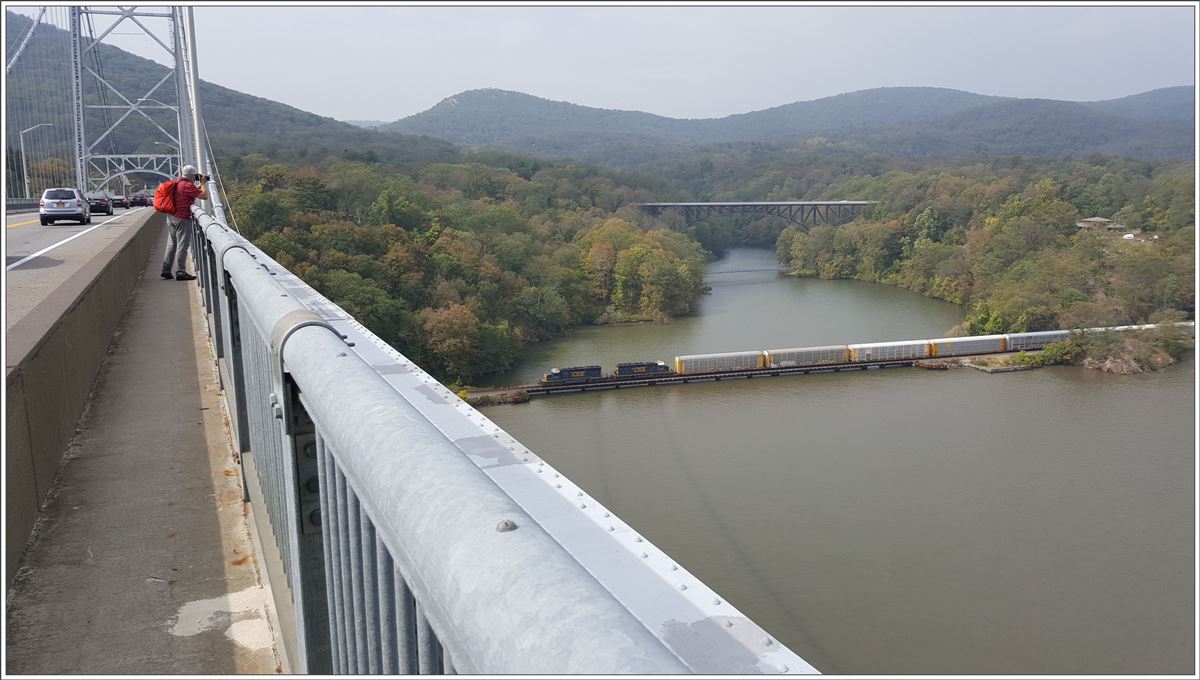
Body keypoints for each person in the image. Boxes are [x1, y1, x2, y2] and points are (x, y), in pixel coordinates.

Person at [160, 164, 210, 281]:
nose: (196, 178)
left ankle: (166, 270)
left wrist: (199, 185)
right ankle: (181, 272)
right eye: (195, 176)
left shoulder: (178, 182)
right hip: (182, 218)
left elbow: (192, 192)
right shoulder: (187, 185)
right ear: (192, 176)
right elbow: (205, 196)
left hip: (171, 217)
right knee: (182, 246)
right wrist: (202, 183)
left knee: (171, 245)